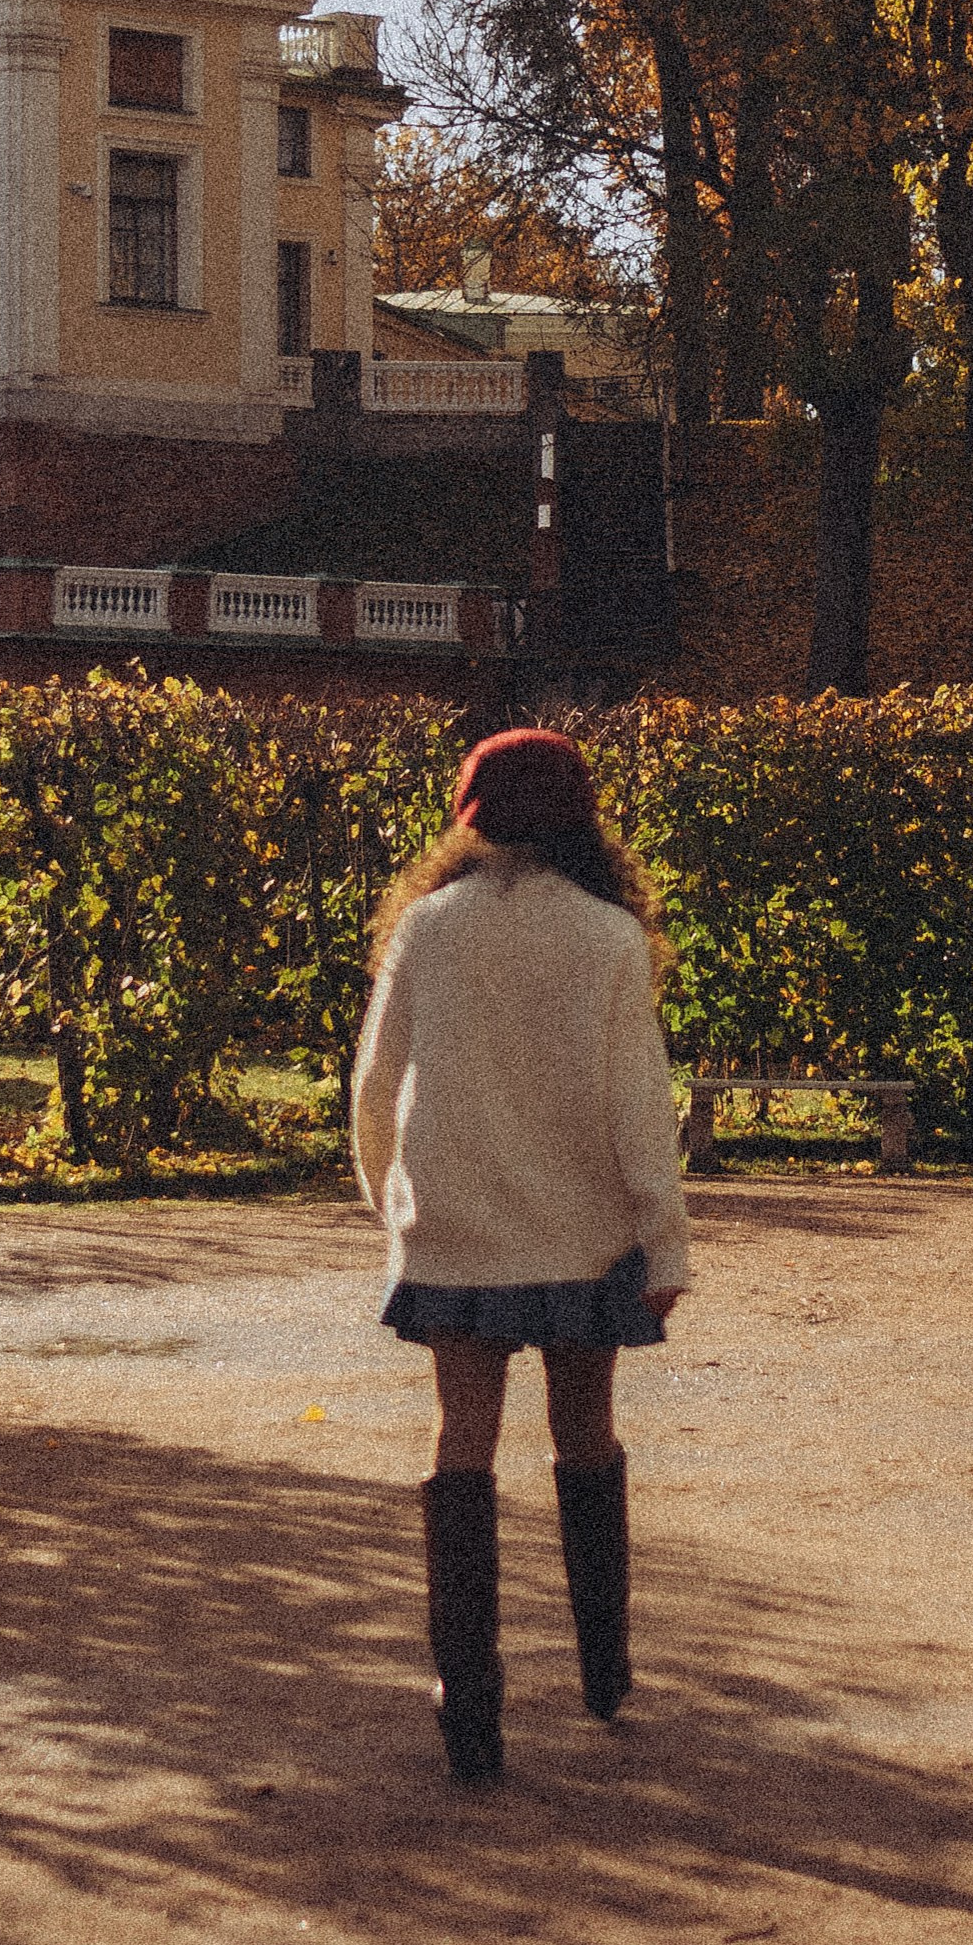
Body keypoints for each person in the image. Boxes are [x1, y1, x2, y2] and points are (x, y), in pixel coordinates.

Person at [351, 727, 691, 1784]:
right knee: (585, 1433)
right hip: (585, 1236)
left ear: (469, 815)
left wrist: (393, 1207)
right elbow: (639, 1104)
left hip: (454, 1236)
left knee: (463, 1439)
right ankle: (603, 1666)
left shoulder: (425, 929)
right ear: (582, 818)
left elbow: (373, 1086)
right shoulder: (608, 939)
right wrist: (664, 1233)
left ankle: (471, 1707)